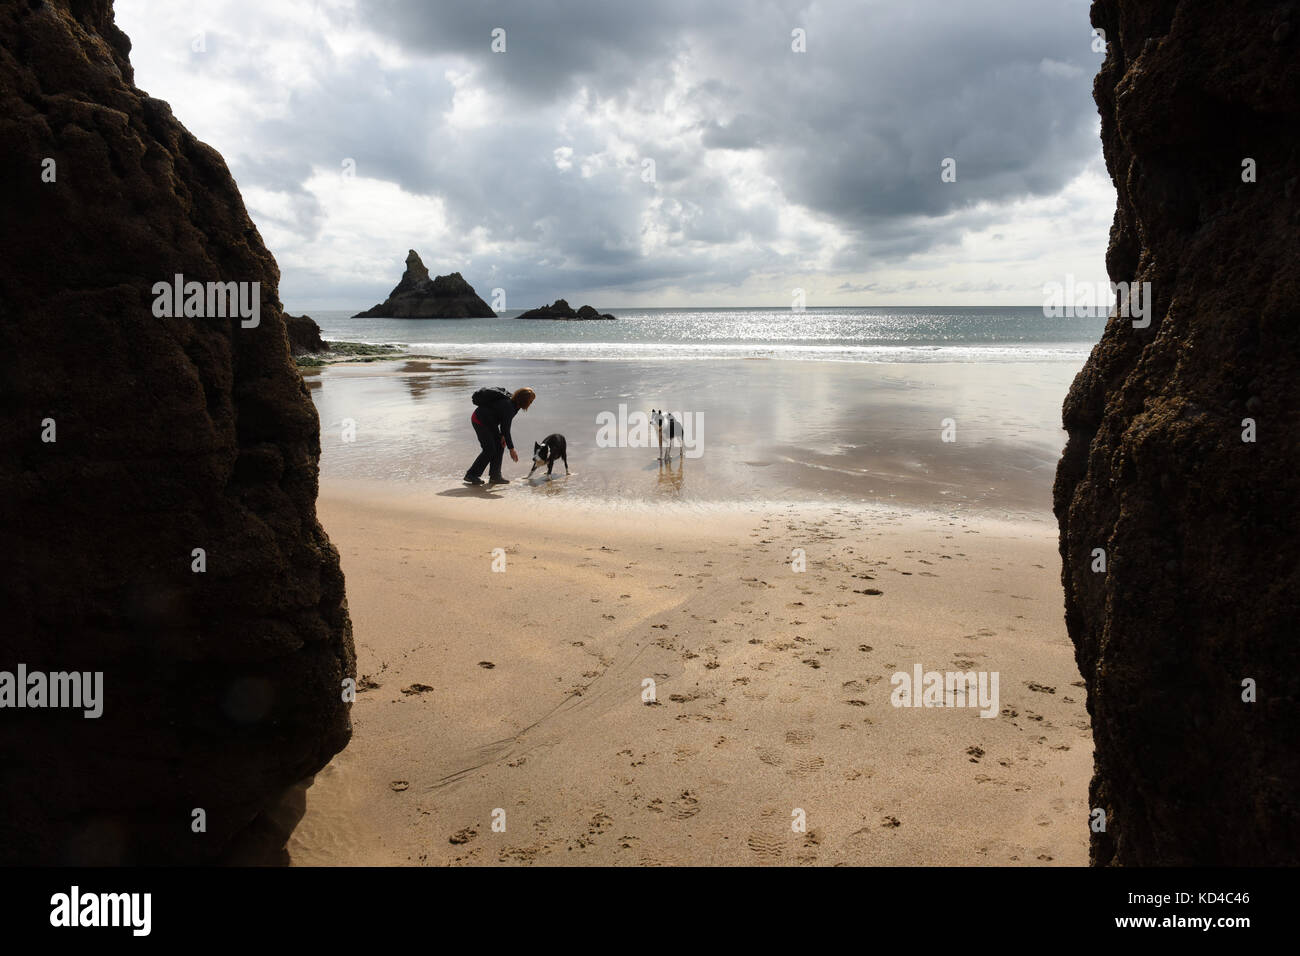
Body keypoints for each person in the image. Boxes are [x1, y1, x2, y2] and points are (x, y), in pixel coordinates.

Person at [464, 387, 536, 486]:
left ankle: (495, 476)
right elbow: (506, 428)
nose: (531, 403)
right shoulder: (509, 406)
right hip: (480, 420)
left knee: (500, 445)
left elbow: (504, 423)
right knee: (489, 449)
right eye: (530, 401)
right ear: (524, 400)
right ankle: (471, 475)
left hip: (490, 422)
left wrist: (502, 436)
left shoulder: (515, 404)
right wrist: (512, 449)